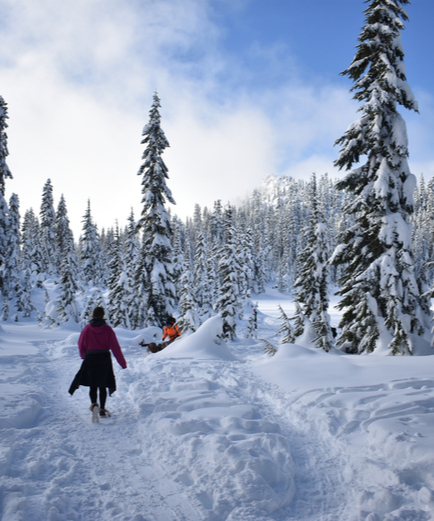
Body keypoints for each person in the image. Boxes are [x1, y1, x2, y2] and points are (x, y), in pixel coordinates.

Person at [69, 307, 127, 421]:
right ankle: (102, 409)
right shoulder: (108, 330)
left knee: (93, 385)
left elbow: (81, 345)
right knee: (103, 385)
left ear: (93, 315)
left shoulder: (87, 329)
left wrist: (83, 356)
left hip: (90, 358)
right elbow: (115, 347)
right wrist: (122, 363)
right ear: (103, 315)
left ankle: (94, 404)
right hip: (104, 358)